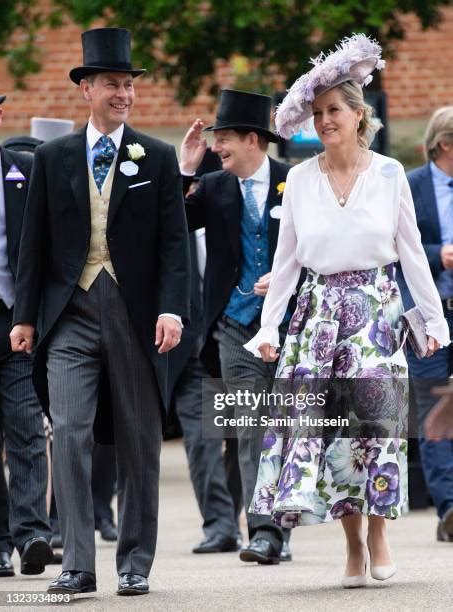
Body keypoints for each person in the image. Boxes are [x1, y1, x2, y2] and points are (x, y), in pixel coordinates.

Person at [243, 33, 449, 588]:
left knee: (375, 431)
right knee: (333, 435)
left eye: (334, 110)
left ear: (360, 115)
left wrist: (432, 321)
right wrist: (268, 327)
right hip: (316, 321)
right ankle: (353, 546)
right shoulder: (301, 180)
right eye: (317, 113)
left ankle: (379, 535)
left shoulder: (388, 176)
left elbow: (411, 255)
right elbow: (286, 264)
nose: (325, 120)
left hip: (377, 318)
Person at [10, 27, 190, 596]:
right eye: (112, 83)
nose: (124, 94)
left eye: (129, 85)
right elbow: (32, 244)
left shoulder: (156, 157)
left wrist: (171, 311)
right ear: (86, 88)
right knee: (68, 430)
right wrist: (25, 316)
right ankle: (78, 563)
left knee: (139, 437)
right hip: (69, 314)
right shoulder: (52, 157)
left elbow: (174, 247)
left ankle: (135, 560)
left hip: (135, 315)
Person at [181, 89, 294, 564]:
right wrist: (185, 171)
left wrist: (291, 272)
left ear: (253, 139)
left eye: (223, 139)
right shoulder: (212, 186)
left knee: (288, 429)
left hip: (294, 324)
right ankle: (263, 531)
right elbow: (169, 225)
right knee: (250, 430)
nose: (216, 147)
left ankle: (285, 524)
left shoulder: (298, 182)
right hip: (234, 326)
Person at [169, 150, 240, 554]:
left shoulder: (233, 225)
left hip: (236, 340)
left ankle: (250, 517)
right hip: (191, 350)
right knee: (201, 440)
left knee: (244, 436)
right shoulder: (180, 225)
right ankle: (220, 524)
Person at [0, 95, 54, 578]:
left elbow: (44, 244)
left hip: (17, 320)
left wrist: (35, 315)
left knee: (26, 429)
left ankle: (33, 531)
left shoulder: (24, 170)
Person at [396, 106, 453, 543]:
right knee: (434, 413)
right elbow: (394, 246)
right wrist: (439, 255)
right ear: (445, 144)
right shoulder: (409, 186)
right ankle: (449, 507)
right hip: (430, 314)